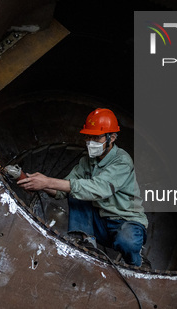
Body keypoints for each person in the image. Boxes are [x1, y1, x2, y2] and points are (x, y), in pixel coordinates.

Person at [18, 108, 149, 267]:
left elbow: (98, 189)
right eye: (88, 137)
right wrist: (38, 185)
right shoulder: (86, 162)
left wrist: (47, 181)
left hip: (126, 223)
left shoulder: (122, 160)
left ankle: (138, 263)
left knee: (126, 241)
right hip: (100, 224)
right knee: (74, 190)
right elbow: (61, 191)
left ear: (112, 137)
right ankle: (86, 241)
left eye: (96, 137)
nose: (90, 142)